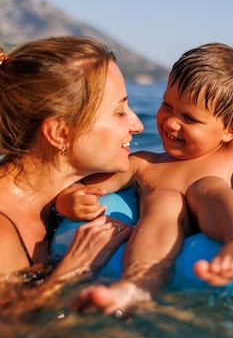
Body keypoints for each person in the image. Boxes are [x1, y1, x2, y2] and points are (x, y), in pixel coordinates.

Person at [57, 43, 233, 314]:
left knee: (208, 187)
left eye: (189, 118)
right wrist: (70, 202)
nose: (170, 122)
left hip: (220, 230)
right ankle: (137, 286)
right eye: (167, 105)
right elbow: (78, 188)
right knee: (164, 199)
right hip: (161, 252)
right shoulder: (141, 164)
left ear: (230, 130)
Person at [0, 36, 141, 292]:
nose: (138, 125)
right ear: (60, 133)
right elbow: (12, 331)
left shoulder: (61, 201)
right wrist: (73, 270)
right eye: (120, 112)